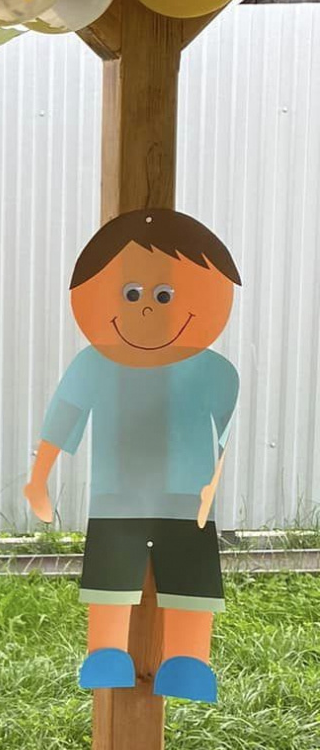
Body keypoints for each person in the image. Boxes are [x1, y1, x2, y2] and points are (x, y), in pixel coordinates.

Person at [25, 207, 240, 703]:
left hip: (186, 497)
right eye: (132, 294)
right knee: (110, 577)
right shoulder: (94, 363)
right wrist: (38, 480)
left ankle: (188, 660)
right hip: (115, 497)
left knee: (191, 581)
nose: (147, 308)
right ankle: (105, 653)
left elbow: (224, 432)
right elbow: (64, 417)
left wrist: (212, 485)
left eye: (164, 296)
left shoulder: (213, 370)